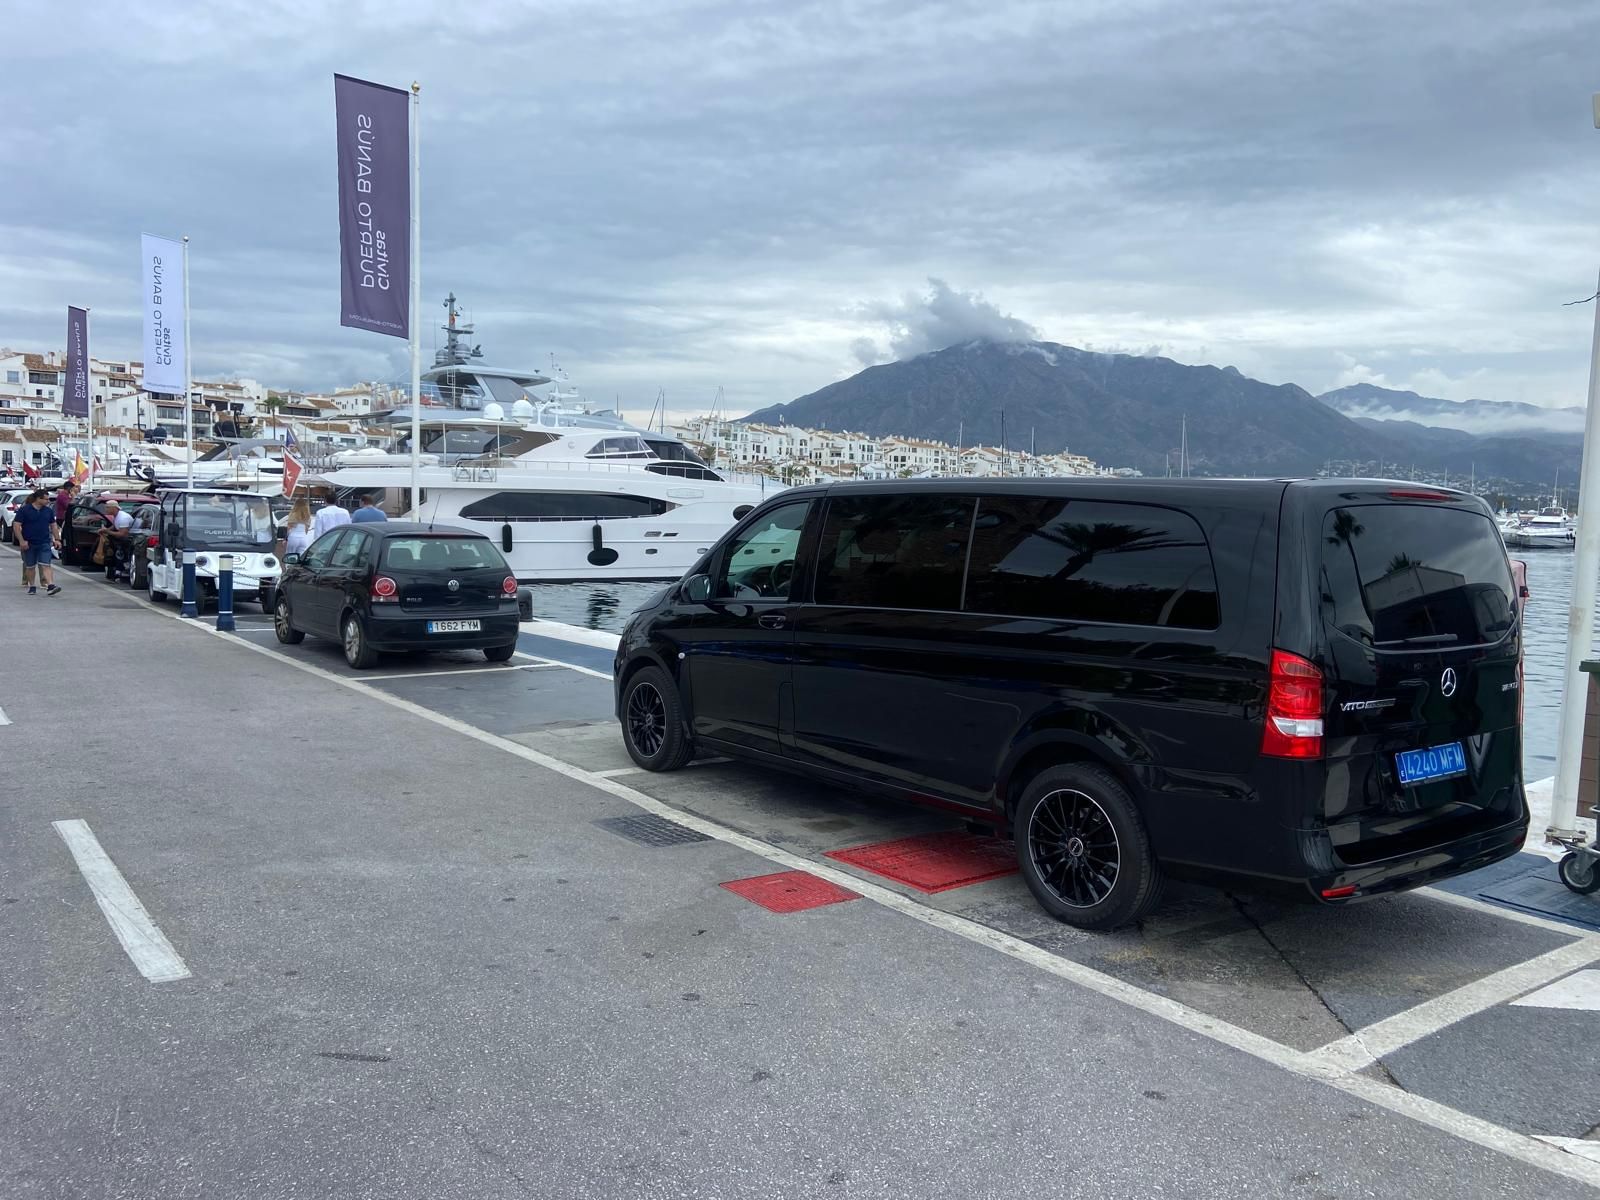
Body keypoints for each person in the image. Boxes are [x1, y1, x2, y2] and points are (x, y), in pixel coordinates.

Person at [16, 490, 62, 596]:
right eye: (46, 499)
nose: (48, 501)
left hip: (44, 542)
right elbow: (16, 525)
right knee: (30, 566)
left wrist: (57, 539)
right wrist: (22, 541)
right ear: (38, 499)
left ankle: (51, 585)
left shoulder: (48, 511)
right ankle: (32, 586)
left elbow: (53, 525)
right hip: (29, 543)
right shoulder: (25, 510)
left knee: (46, 564)